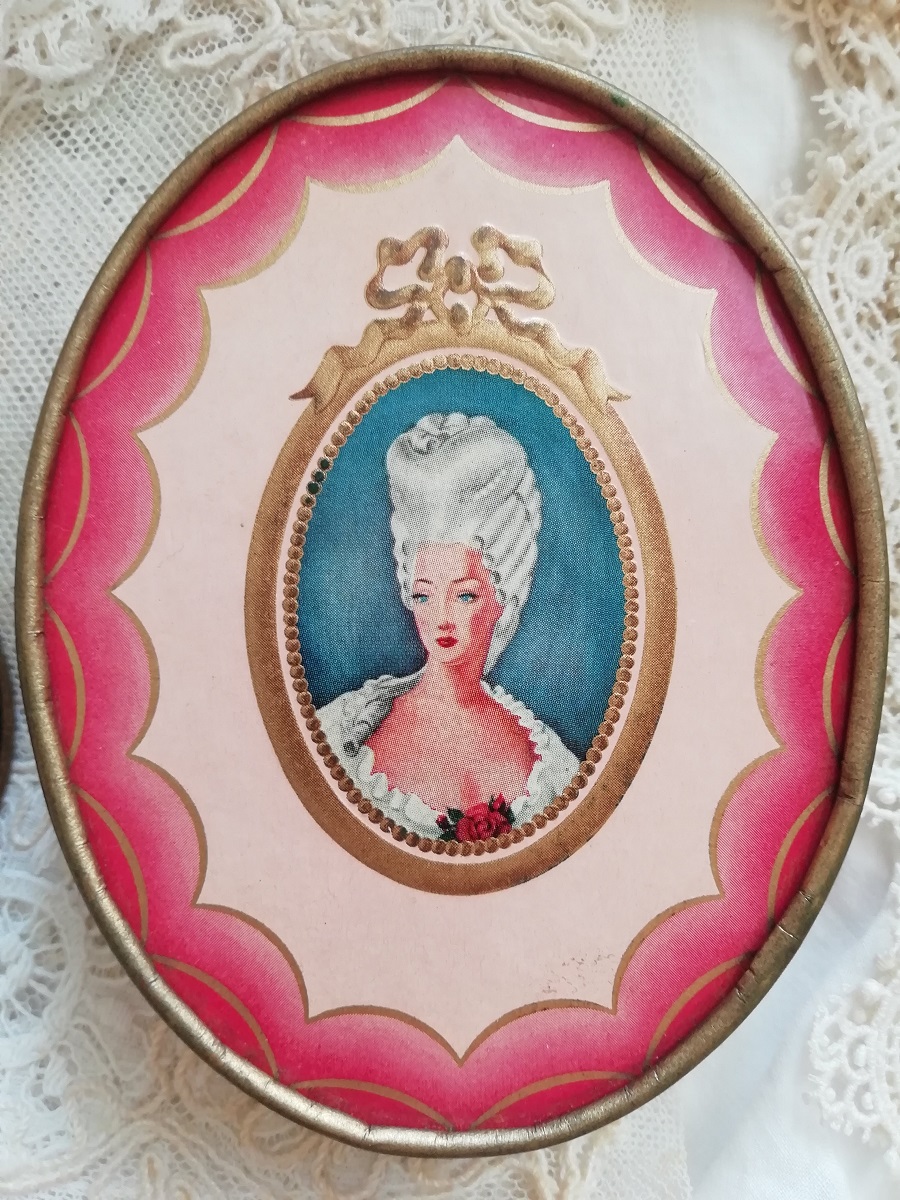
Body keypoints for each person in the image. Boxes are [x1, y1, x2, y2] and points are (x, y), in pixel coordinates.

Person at [317, 412, 579, 841]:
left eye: (464, 595)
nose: (440, 616)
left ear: (502, 596)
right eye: (423, 595)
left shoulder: (552, 766)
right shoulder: (342, 731)